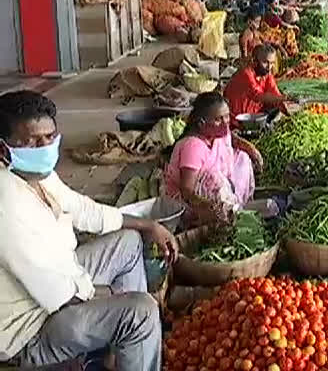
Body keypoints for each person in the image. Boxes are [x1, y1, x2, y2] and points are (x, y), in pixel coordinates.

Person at [0, 90, 178, 370]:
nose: (45, 147)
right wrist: (107, 298)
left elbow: (84, 209)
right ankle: (132, 336)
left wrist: (147, 224)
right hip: (31, 327)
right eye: (33, 142)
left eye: (50, 137)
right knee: (141, 312)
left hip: (63, 279)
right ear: (3, 149)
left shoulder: (37, 176)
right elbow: (54, 291)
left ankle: (121, 354)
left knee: (128, 243)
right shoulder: (5, 202)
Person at [164, 92, 262, 228]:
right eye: (218, 119)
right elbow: (187, 190)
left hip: (220, 186)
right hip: (192, 203)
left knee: (243, 158)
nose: (226, 122)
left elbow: (231, 138)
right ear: (201, 123)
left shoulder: (217, 132)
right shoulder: (193, 146)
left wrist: (250, 148)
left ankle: (235, 206)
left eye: (227, 116)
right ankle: (226, 214)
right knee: (215, 180)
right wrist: (207, 205)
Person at [225, 44, 292, 121]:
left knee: (276, 105)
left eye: (272, 63)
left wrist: (289, 115)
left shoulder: (267, 74)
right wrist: (284, 98)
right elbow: (258, 96)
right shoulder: (246, 73)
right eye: (265, 62)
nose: (269, 67)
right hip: (238, 117)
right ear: (255, 60)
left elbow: (275, 93)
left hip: (253, 112)